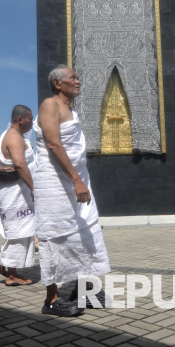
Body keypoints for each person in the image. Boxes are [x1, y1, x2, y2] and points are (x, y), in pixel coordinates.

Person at [34, 66, 110, 317]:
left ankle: (81, 289)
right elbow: (54, 144)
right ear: (57, 83)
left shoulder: (71, 109)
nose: (78, 81)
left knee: (81, 230)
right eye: (73, 77)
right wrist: (77, 181)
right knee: (56, 233)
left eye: (77, 77)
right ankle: (52, 300)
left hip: (76, 179)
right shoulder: (50, 105)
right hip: (56, 182)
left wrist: (80, 180)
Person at [0, 105, 36, 286]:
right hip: (16, 192)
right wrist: (33, 188)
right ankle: (10, 272)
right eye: (30, 118)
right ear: (20, 119)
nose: (32, 122)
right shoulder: (14, 137)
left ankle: (6, 265)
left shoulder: (11, 134)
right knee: (18, 231)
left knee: (21, 231)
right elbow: (20, 165)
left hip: (15, 191)